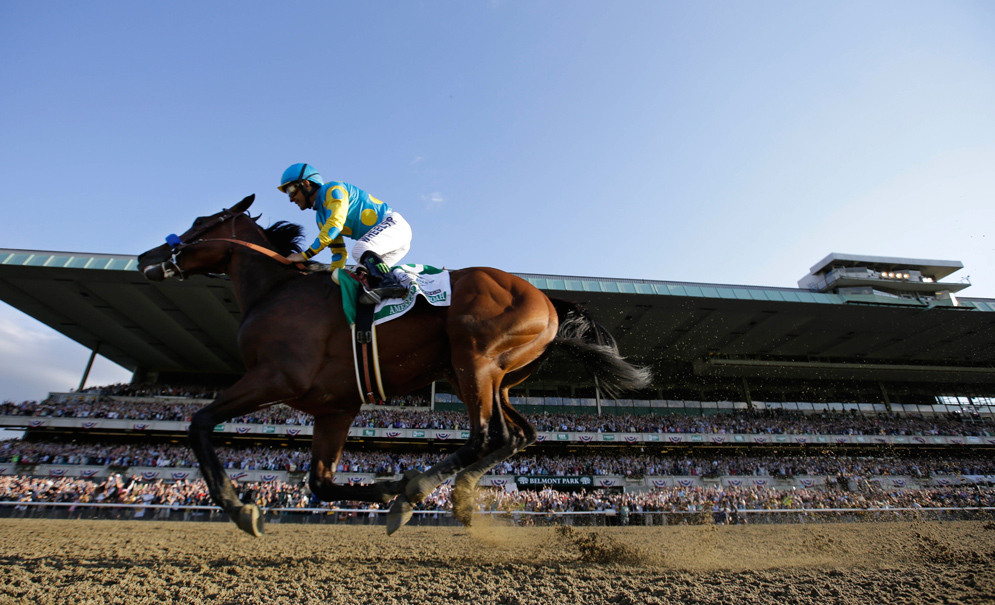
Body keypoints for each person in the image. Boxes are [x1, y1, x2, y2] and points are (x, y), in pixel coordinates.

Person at [278, 163, 411, 304]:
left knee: (360, 249)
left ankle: (390, 284)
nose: (291, 198)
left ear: (306, 183)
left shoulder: (334, 190)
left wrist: (305, 255)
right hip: (385, 244)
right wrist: (330, 281)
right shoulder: (320, 217)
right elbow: (339, 254)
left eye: (291, 190)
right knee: (358, 272)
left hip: (394, 225)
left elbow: (335, 224)